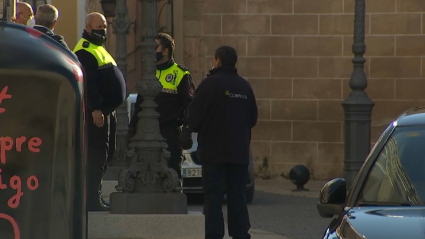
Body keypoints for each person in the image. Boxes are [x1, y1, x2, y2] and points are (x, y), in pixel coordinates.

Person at [186, 46, 258, 239]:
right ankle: (240, 234)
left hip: (214, 153)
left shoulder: (209, 85)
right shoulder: (244, 86)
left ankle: (214, 234)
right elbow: (253, 118)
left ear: (217, 60)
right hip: (239, 153)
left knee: (213, 198)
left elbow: (194, 116)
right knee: (238, 197)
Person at [73, 12, 126, 211]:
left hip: (106, 111)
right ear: (87, 28)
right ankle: (92, 200)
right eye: (99, 27)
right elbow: (89, 83)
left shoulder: (98, 48)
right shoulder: (85, 50)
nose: (102, 30)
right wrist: (95, 108)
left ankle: (95, 195)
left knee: (106, 153)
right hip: (97, 113)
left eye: (104, 27)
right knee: (96, 156)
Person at [128, 33, 195, 183]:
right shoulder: (148, 73)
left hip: (169, 134)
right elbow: (139, 104)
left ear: (165, 51)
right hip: (146, 134)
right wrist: (132, 129)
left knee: (171, 177)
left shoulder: (181, 74)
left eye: (155, 48)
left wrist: (187, 129)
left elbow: (190, 104)